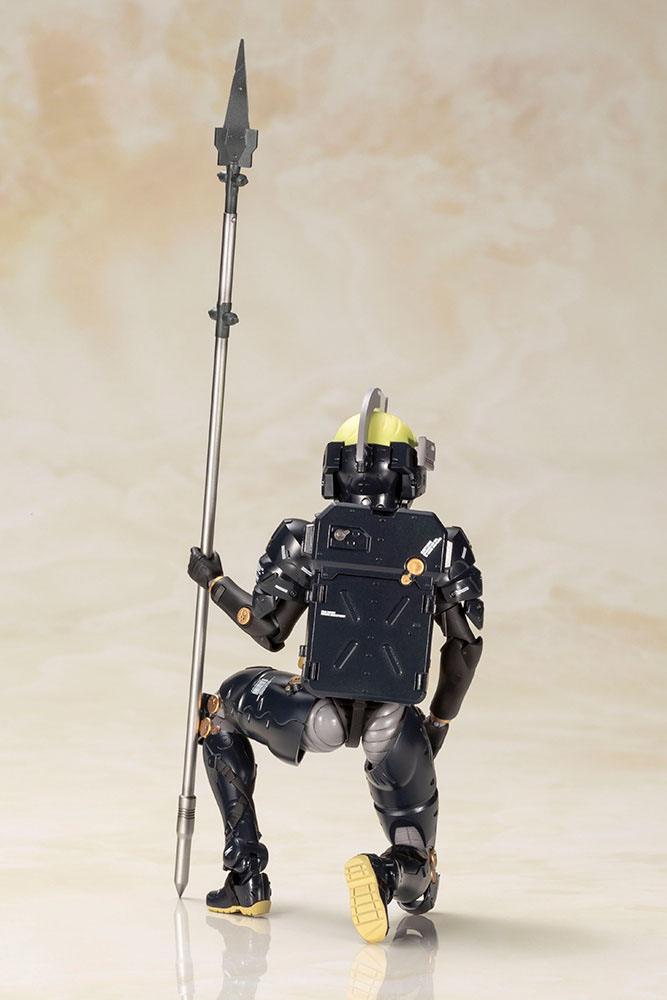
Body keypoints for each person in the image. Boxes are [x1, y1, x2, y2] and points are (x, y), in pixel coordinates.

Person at [188, 389, 483, 943]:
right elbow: (466, 646)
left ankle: (245, 875)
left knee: (220, 710)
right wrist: (439, 722)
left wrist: (216, 583)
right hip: (393, 721)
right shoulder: (442, 547)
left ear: (336, 469)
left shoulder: (306, 538)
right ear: (410, 473)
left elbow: (268, 629)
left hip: (315, 710)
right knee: (420, 869)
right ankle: (388, 873)